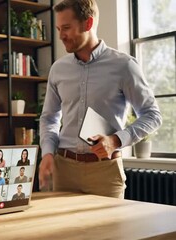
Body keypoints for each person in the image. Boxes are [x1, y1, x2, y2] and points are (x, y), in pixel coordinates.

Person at [39, 0, 162, 199]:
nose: (61, 35)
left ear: (88, 24)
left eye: (67, 28)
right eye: (59, 28)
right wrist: (47, 153)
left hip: (105, 172)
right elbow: (49, 118)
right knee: (66, 231)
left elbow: (153, 116)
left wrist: (115, 140)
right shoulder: (58, 69)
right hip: (65, 170)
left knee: (111, 231)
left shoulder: (124, 66)